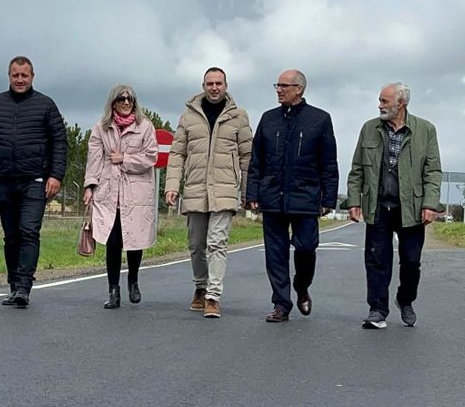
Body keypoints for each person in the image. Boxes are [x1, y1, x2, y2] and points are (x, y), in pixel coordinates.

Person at [0, 55, 66, 308]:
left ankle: (24, 287)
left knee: (28, 231)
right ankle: (13, 285)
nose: (20, 79)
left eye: (24, 75)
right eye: (15, 75)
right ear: (9, 76)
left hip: (35, 180)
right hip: (5, 180)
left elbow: (59, 142)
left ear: (32, 76)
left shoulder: (46, 105)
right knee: (11, 236)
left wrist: (56, 175)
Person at [246, 68, 338, 323]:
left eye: (284, 86)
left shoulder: (319, 119)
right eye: (277, 85)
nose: (279, 90)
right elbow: (257, 160)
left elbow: (328, 162)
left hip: (306, 197)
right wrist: (252, 192)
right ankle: (281, 304)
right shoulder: (268, 119)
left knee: (306, 248)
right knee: (275, 254)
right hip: (272, 196)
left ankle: (302, 286)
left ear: (299, 89)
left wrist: (328, 199)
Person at [346, 82, 442, 329]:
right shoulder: (369, 128)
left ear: (401, 103)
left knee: (411, 261)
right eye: (380, 100)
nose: (380, 105)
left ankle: (405, 299)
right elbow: (357, 168)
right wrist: (354, 200)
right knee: (377, 260)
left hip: (411, 209)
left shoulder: (425, 129)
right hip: (378, 206)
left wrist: (430, 204)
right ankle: (377, 310)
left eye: (384, 101)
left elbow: (433, 171)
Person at [164, 67, 254, 318]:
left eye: (219, 83)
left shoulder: (239, 116)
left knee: (217, 242)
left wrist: (248, 191)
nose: (214, 87)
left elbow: (248, 156)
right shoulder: (188, 116)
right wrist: (171, 186)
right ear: (203, 86)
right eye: (209, 83)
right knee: (196, 244)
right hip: (194, 188)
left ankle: (214, 296)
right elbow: (176, 153)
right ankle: (200, 287)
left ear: (226, 85)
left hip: (224, 189)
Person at [84, 85, 160, 308]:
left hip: (136, 193)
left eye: (130, 99)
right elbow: (94, 159)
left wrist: (125, 158)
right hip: (109, 192)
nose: (126, 102)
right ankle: (113, 290)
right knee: (113, 241)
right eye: (121, 99)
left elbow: (151, 157)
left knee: (135, 240)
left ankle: (133, 279)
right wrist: (89, 185)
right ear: (113, 102)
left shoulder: (145, 127)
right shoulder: (101, 128)